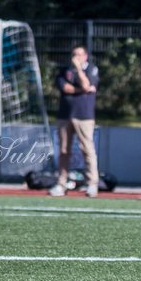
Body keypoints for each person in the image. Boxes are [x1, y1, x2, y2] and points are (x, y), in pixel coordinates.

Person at [49, 46, 99, 197]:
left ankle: (92, 184)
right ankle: (61, 183)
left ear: (85, 56)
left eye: (79, 54)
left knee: (87, 149)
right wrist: (82, 90)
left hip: (84, 116)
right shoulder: (64, 70)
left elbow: (86, 84)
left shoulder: (92, 70)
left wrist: (78, 69)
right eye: (73, 55)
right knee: (64, 151)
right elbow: (66, 88)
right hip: (65, 115)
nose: (76, 57)